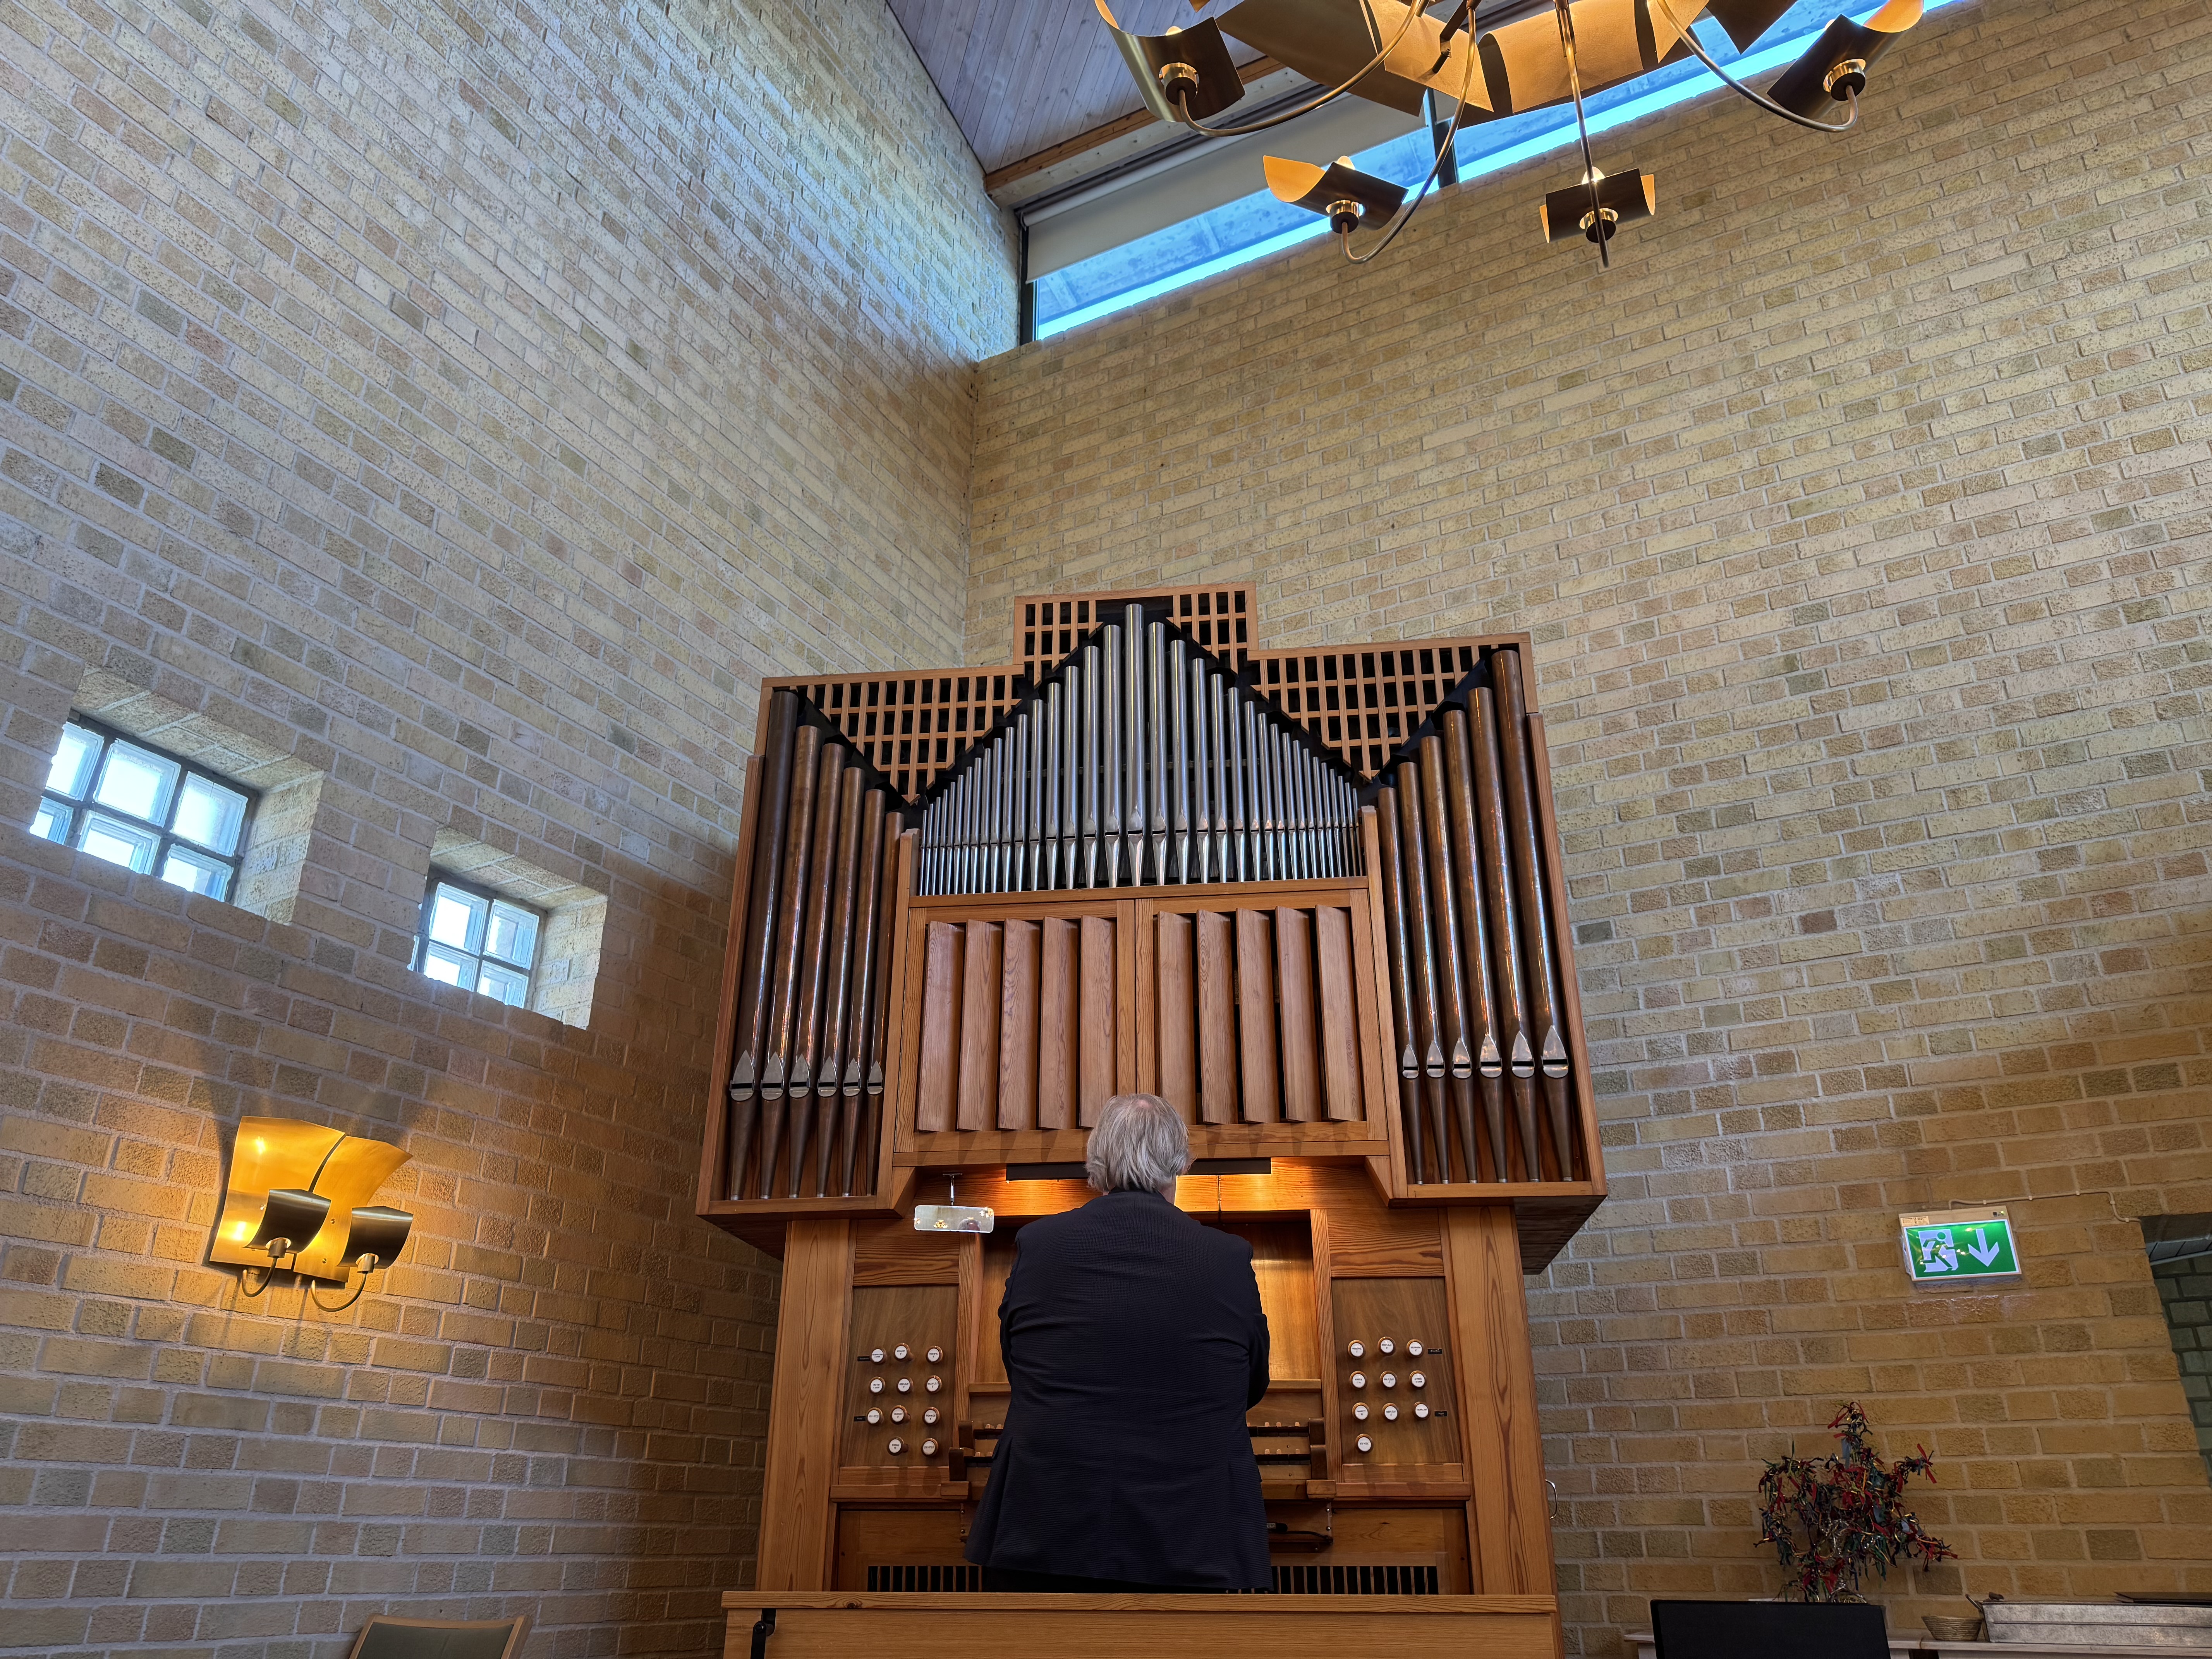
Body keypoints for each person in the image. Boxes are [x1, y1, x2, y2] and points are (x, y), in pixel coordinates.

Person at [964, 1093, 1271, 1592]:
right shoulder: (1227, 1256)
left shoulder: (1038, 1246)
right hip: (1193, 1535)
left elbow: (1019, 1370)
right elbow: (1251, 1385)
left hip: (1046, 1530)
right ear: (1182, 1163)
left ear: (1097, 1162)